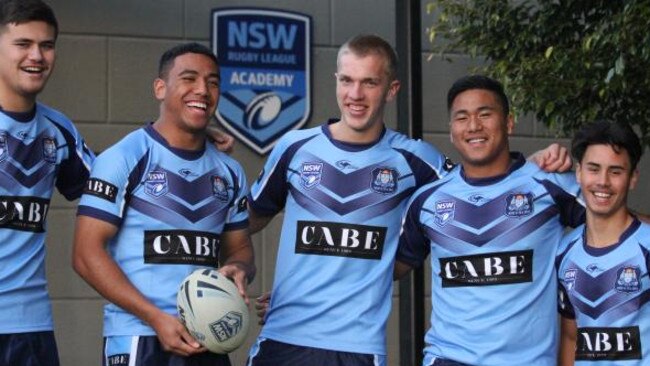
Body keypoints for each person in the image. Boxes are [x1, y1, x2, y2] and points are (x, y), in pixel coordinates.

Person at [245, 35, 571, 366]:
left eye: (369, 82)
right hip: (283, 335)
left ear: (391, 89)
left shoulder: (418, 161)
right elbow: (245, 220)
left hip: (358, 346)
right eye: (347, 80)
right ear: (337, 81)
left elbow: (479, 182)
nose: (355, 94)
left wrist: (533, 166)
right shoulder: (294, 147)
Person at [72, 42, 255, 366]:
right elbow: (86, 255)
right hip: (138, 336)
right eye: (189, 78)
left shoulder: (230, 171)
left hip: (209, 338)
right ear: (160, 88)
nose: (203, 90)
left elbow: (240, 250)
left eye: (213, 82)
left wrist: (239, 270)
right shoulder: (124, 157)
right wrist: (155, 317)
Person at [395, 75, 587, 366]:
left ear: (508, 122)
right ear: (451, 131)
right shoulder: (427, 200)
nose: (473, 126)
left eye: (485, 114)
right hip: (448, 359)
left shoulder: (551, 184)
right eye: (462, 117)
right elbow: (389, 267)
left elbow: (619, 228)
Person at [0, 1, 94, 365]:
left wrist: (182, 133)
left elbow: (114, 188)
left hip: (30, 326)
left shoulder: (59, 131)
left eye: (47, 45)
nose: (37, 56)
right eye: (23, 43)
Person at [557, 121, 649, 365]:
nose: (603, 182)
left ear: (632, 178)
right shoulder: (564, 251)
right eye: (594, 169)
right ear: (579, 172)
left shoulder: (647, 247)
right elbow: (570, 338)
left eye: (616, 171)